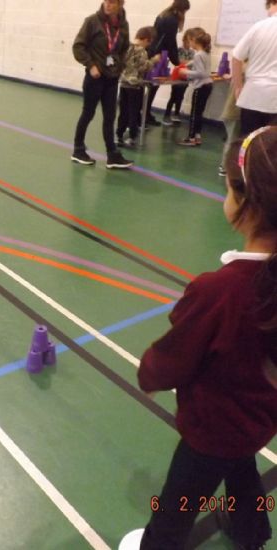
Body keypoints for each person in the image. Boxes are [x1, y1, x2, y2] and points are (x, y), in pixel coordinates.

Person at [122, 125, 277, 549]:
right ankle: (251, 531)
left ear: (246, 202)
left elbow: (174, 357)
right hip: (260, 416)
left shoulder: (221, 290)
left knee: (177, 504)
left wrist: (150, 373)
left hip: (213, 426)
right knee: (241, 467)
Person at [71, 0, 133, 169]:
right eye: (106, 1)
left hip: (112, 78)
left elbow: (124, 49)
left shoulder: (123, 25)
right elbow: (78, 47)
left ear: (120, 4)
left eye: (112, 2)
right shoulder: (92, 21)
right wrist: (91, 65)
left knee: (110, 116)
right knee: (88, 113)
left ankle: (112, 155)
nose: (107, 5)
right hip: (95, 77)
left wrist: (119, 67)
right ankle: (78, 150)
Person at [232, 0, 277, 134]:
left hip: (252, 95)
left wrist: (238, 87)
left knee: (249, 141)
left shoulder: (259, 27)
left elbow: (236, 58)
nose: (267, 12)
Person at [145, 0, 191, 126]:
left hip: (153, 52)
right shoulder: (172, 20)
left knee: (151, 86)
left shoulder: (162, 15)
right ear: (182, 9)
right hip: (158, 55)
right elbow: (170, 42)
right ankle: (144, 115)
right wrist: (176, 61)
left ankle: (145, 113)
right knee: (153, 86)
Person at [116, 26, 159, 148]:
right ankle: (132, 137)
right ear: (145, 39)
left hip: (124, 83)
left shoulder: (126, 47)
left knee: (123, 111)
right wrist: (154, 61)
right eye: (149, 42)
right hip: (135, 86)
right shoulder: (141, 51)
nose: (148, 45)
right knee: (133, 112)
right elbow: (143, 67)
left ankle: (119, 135)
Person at [177, 30, 212, 146]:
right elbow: (201, 67)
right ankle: (197, 136)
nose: (189, 44)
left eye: (189, 41)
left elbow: (201, 73)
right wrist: (189, 64)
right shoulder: (205, 53)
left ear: (194, 41)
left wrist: (185, 71)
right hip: (207, 85)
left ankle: (191, 138)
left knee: (194, 113)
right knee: (199, 113)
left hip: (201, 86)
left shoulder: (198, 55)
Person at [162, 28, 196, 125]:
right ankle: (166, 115)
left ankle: (176, 114)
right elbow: (179, 62)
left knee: (180, 97)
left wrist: (187, 63)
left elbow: (191, 64)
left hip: (186, 76)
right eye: (187, 41)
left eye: (190, 41)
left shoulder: (192, 52)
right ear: (184, 40)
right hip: (177, 76)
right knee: (173, 96)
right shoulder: (179, 50)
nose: (188, 43)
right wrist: (188, 62)